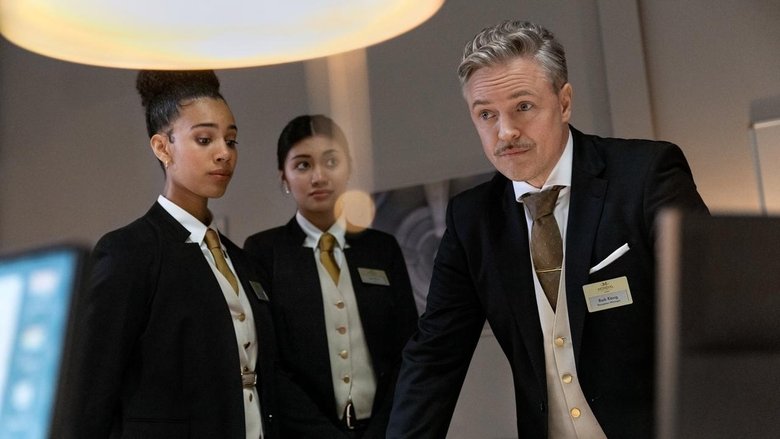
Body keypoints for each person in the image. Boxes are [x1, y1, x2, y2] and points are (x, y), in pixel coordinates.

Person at [387, 20, 709, 439]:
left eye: (523, 106)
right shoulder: (472, 220)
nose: (505, 131)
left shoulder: (646, 176)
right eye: (486, 114)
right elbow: (434, 358)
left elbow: (709, 317)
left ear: (564, 102)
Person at [52, 70, 278, 438]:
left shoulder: (242, 261)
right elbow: (90, 393)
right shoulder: (129, 251)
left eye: (231, 140)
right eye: (204, 139)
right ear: (162, 147)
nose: (224, 153)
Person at [243, 114, 418, 438]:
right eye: (303, 165)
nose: (319, 176)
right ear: (284, 177)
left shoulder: (381, 248)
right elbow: (268, 360)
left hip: (385, 430)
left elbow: (408, 348)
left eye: (331, 161)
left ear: (349, 168)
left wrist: (384, 429)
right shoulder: (264, 252)